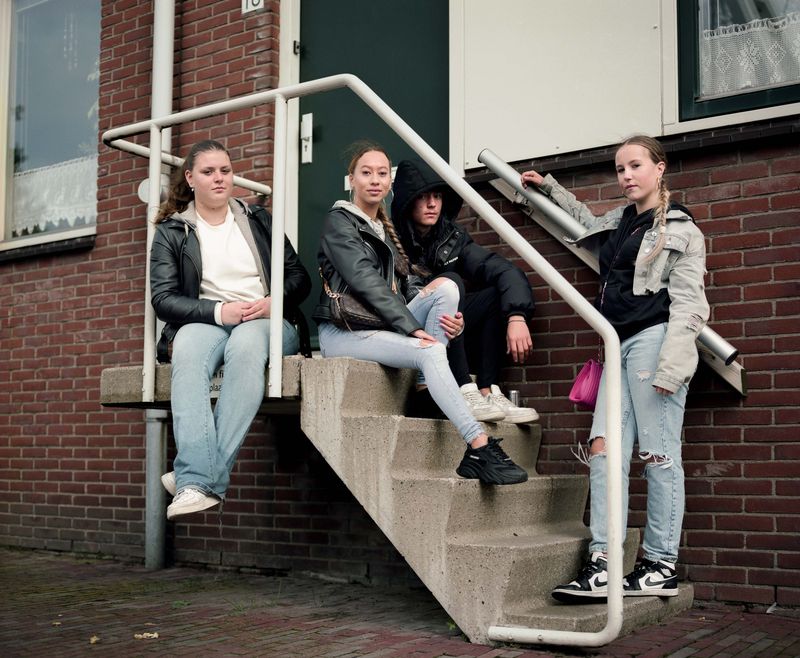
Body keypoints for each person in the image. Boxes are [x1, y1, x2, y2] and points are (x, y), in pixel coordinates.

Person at [520, 135, 709, 599]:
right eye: (620, 168)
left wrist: (673, 368)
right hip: (615, 344)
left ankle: (660, 564)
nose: (626, 175)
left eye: (635, 166)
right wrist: (548, 189)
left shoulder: (682, 229)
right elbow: (583, 222)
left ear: (659, 169)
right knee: (604, 451)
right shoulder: (621, 220)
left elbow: (690, 305)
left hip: (654, 344)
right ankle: (604, 561)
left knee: (659, 455)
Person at [313, 142, 528, 485]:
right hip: (345, 332)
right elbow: (366, 281)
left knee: (446, 288)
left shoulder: (385, 229)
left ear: (389, 183)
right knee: (430, 349)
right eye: (366, 173)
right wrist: (413, 328)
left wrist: (450, 318)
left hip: (381, 323)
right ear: (351, 179)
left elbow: (406, 285)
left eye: (382, 174)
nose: (374, 180)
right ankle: (478, 445)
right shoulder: (340, 223)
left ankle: (429, 388)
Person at [150, 139, 311, 520]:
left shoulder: (258, 219)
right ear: (190, 178)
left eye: (225, 170)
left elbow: (299, 277)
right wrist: (221, 311)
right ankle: (203, 478)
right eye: (208, 172)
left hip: (267, 320)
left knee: (247, 346)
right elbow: (164, 299)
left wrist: (276, 302)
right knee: (186, 348)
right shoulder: (173, 231)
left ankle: (196, 478)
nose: (219, 178)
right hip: (209, 320)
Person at [391, 158, 538, 424]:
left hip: (448, 330)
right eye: (422, 197)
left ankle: (487, 390)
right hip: (407, 327)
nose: (432, 204)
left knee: (494, 296)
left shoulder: (450, 238)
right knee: (452, 282)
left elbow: (502, 270)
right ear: (406, 202)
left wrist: (517, 315)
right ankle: (462, 386)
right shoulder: (390, 238)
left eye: (437, 196)